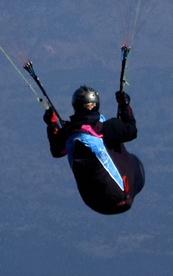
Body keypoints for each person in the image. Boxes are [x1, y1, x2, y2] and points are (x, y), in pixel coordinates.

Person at [44, 85, 143, 215]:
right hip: (123, 196)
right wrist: (125, 106)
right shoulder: (109, 127)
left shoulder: (68, 135)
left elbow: (57, 151)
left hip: (95, 203)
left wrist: (52, 125)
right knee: (133, 159)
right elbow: (131, 131)